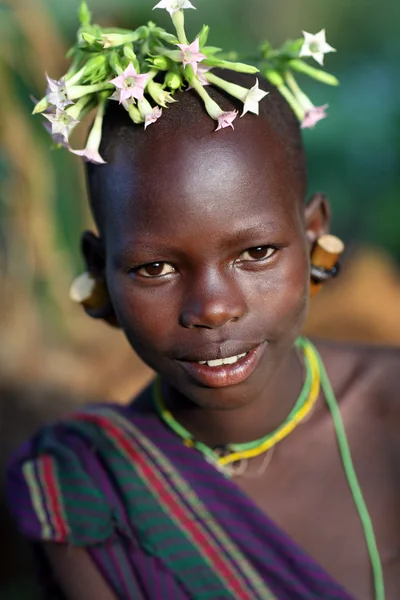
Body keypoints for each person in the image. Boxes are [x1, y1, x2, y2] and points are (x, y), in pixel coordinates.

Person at [5, 2, 400, 599]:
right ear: (99, 272)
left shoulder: (390, 418)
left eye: (256, 253)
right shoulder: (88, 490)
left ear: (314, 235)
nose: (214, 308)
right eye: (155, 267)